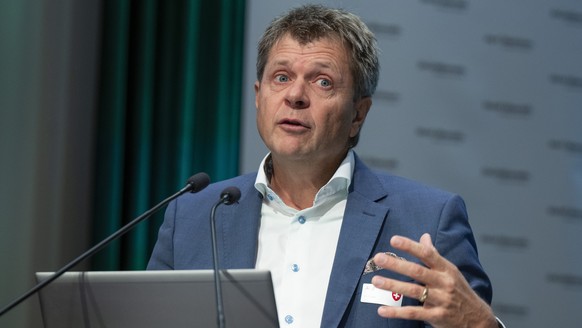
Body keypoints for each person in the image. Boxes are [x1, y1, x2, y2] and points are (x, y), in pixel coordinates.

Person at [148, 4, 505, 327]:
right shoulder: (192, 216)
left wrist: (481, 326)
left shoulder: (428, 221)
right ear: (258, 97)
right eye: (282, 77)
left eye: (323, 82)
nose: (295, 95)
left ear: (358, 114)